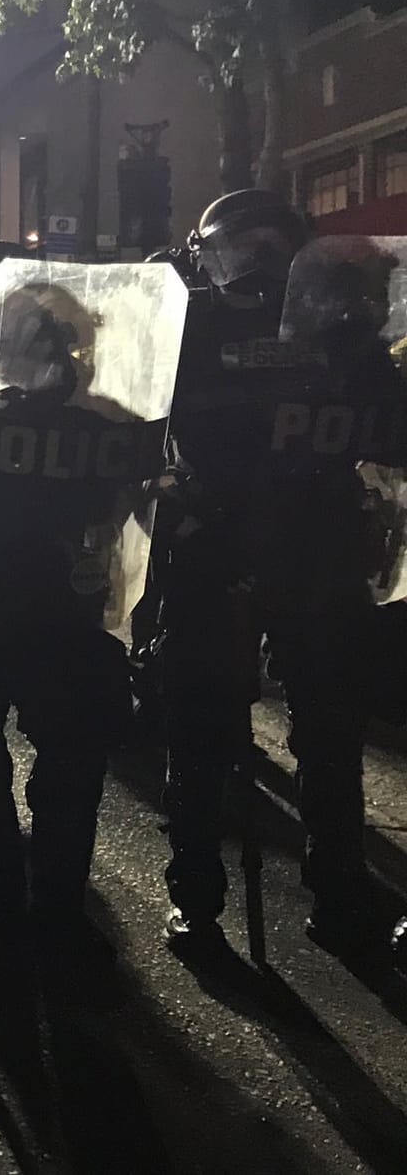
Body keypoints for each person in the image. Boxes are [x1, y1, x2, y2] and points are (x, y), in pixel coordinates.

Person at [0, 242, 185, 970]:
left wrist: (167, 492)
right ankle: (1, 888)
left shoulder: (102, 404)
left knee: (70, 767)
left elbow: (141, 484)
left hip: (67, 610)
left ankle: (58, 907)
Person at [159, 194, 407, 957]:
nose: (260, 259)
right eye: (243, 244)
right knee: (208, 730)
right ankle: (200, 897)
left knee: (327, 733)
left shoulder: (349, 336)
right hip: (222, 553)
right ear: (205, 254)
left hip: (315, 553)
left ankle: (336, 890)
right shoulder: (184, 329)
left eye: (276, 244)